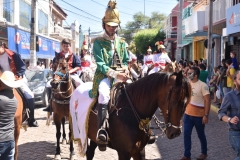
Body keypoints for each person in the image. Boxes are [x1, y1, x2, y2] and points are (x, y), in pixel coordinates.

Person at [89, 0, 129, 150]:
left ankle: (143, 126)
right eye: (109, 25)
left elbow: (125, 60)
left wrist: (125, 70)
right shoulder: (98, 42)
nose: (112, 29)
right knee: (104, 95)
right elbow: (100, 64)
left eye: (115, 26)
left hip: (122, 75)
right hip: (104, 77)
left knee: (138, 91)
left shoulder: (122, 42)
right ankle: (102, 130)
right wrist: (116, 74)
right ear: (104, 24)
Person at [0, 41, 38, 127]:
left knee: (29, 95)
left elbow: (22, 66)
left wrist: (19, 75)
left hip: (16, 78)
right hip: (3, 79)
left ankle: (31, 119)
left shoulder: (13, 54)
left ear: (2, 46)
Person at [180, 67, 210, 160]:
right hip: (188, 115)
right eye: (187, 73)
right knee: (186, 135)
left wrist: (206, 115)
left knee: (201, 135)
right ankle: (187, 155)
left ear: (196, 75)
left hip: (199, 116)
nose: (187, 75)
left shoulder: (203, 85)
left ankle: (204, 153)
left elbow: (208, 101)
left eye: (190, 73)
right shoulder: (187, 84)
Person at [218, 70, 240, 160]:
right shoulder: (229, 96)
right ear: (234, 81)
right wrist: (230, 119)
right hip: (236, 133)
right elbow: (221, 113)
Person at [0, 69, 22, 160]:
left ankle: (30, 115)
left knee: (29, 95)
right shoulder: (15, 101)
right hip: (9, 140)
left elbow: (21, 67)